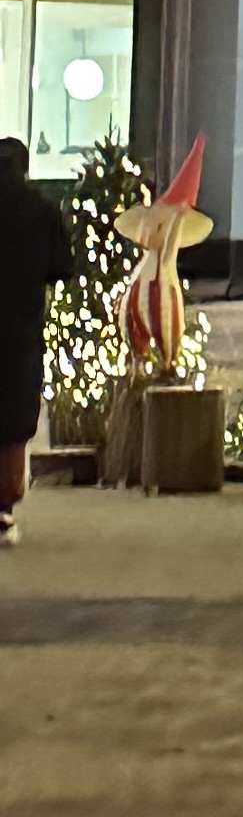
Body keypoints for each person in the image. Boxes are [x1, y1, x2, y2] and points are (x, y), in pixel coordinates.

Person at [0, 140, 72, 549]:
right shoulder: (42, 210)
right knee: (13, 418)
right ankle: (3, 506)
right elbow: (61, 267)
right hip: (20, 328)